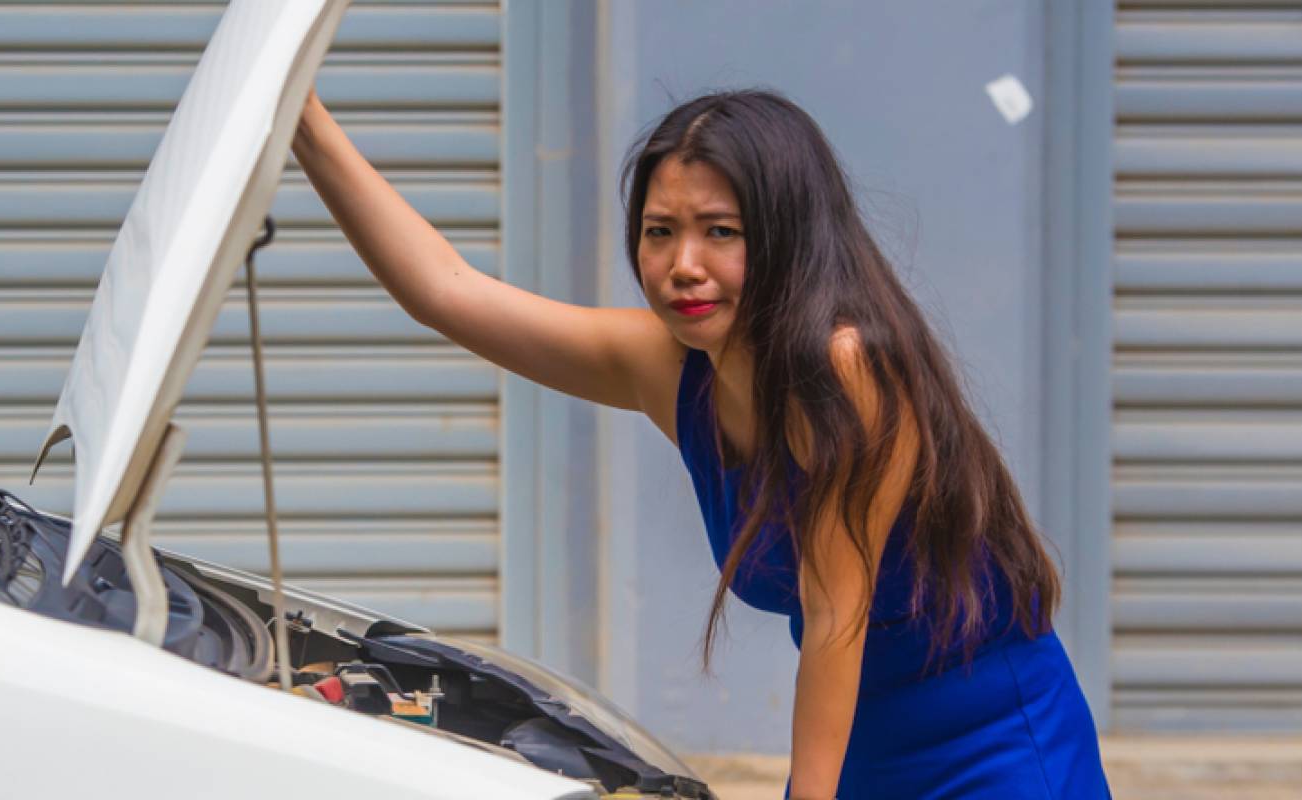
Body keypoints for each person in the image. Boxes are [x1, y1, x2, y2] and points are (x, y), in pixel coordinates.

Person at [293, 88, 1110, 799]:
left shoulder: (846, 366)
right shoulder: (671, 367)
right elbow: (448, 293)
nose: (683, 266)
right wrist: (306, 126)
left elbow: (834, 617)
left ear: (788, 234)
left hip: (989, 747)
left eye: (721, 231)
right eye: (659, 232)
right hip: (858, 740)